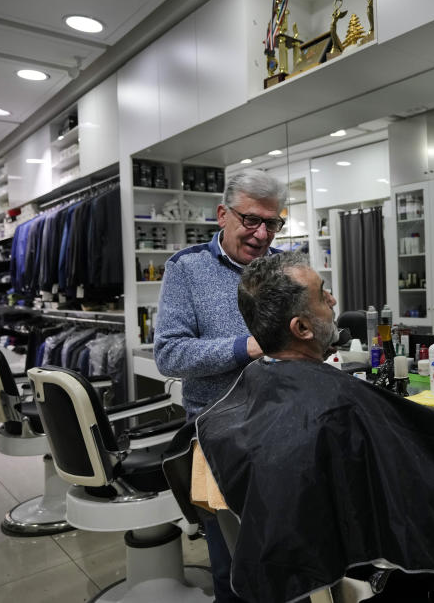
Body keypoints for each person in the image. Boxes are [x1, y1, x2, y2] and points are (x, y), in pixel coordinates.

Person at [164, 252, 434, 602]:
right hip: (360, 575)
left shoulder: (253, 388)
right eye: (322, 294)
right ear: (301, 328)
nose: (332, 301)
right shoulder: (334, 408)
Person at [154, 169, 287, 603]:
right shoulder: (187, 270)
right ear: (221, 215)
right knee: (233, 566)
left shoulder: (287, 267)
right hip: (217, 441)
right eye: (250, 219)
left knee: (290, 555)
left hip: (285, 433)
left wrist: (321, 322)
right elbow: (170, 355)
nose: (261, 233)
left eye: (272, 223)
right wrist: (244, 347)